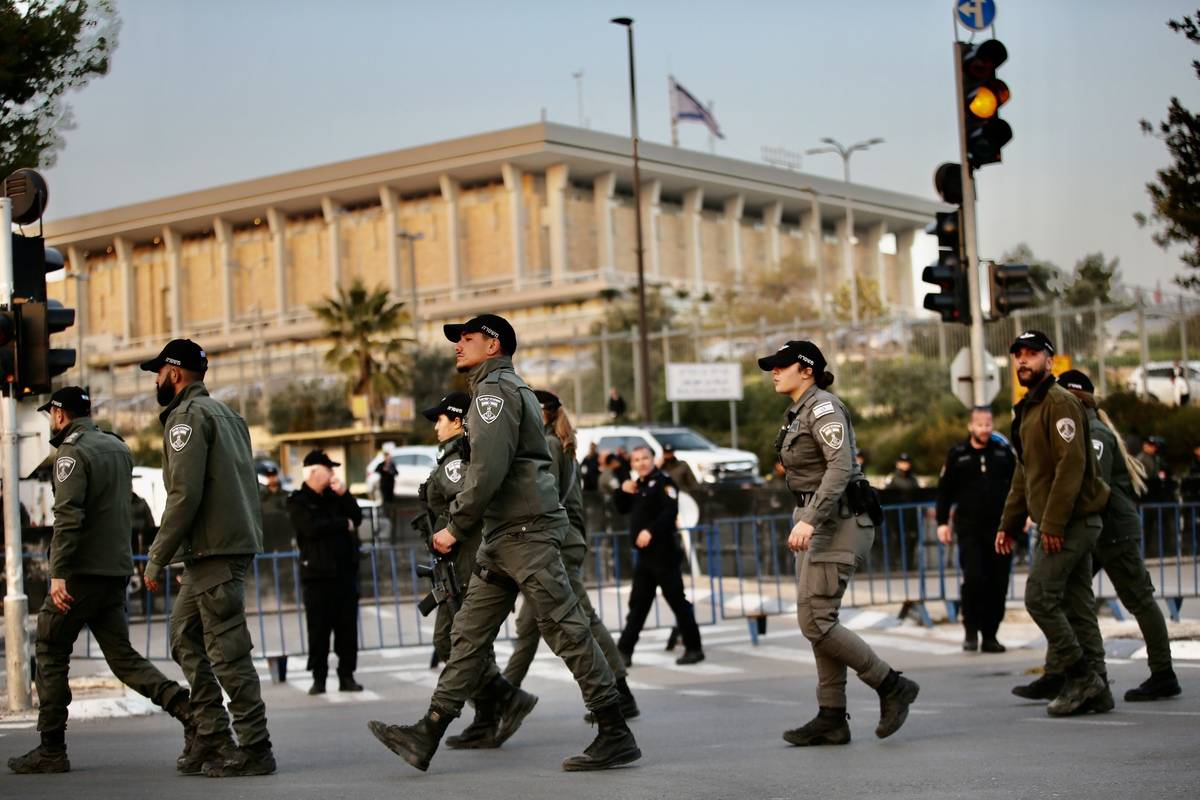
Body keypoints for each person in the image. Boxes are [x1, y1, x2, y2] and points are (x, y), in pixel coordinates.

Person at [368, 314, 640, 773]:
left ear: (493, 345)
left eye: (467, 339)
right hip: (504, 532)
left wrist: (454, 527)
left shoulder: (494, 393)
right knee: (467, 635)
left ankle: (614, 729)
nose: (458, 346)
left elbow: (487, 469)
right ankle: (428, 731)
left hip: (525, 530)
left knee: (563, 627)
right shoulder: (492, 390)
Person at [8, 387, 195, 775]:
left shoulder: (71, 454)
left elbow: (69, 518)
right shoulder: (117, 447)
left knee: (50, 647)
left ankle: (51, 748)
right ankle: (187, 709)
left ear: (60, 414)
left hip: (81, 574)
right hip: (114, 571)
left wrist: (58, 574)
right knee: (123, 658)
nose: (50, 422)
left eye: (51, 415)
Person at [759, 340, 919, 747]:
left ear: (807, 370)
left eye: (782, 365)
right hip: (819, 520)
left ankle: (891, 685)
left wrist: (810, 520)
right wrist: (806, 517)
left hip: (840, 521)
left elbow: (841, 466)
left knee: (815, 620)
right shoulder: (798, 412)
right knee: (818, 620)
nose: (774, 372)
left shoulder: (824, 408)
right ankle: (831, 716)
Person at [140, 339, 275, 777]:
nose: (156, 380)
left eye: (159, 372)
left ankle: (255, 747)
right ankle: (212, 735)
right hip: (211, 551)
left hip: (214, 552)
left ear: (175, 374)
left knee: (227, 653)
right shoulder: (227, 414)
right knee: (184, 638)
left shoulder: (186, 418)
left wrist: (158, 557)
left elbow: (184, 496)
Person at [1011, 370, 1179, 703]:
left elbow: (1083, 482)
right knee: (1067, 598)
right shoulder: (1077, 425)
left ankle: (1163, 674)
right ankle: (1059, 673)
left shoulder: (1093, 432)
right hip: (1090, 528)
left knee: (1138, 599)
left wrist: (1055, 519)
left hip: (1112, 531)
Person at [504, 390, 639, 721]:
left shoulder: (548, 445)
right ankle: (505, 697)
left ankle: (620, 692)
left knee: (583, 618)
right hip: (562, 542)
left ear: (545, 414)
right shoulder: (555, 443)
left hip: (558, 545)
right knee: (528, 626)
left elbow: (543, 500)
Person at [996, 331, 1110, 717]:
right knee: (1078, 607)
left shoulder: (1059, 403)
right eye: (1018, 356)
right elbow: (1024, 473)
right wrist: (1008, 524)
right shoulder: (1029, 407)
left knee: (1039, 598)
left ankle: (1080, 677)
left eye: (1031, 354)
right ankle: (1099, 689)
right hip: (1062, 522)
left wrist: (1054, 526)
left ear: (1050, 360)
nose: (1023, 361)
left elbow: (1071, 468)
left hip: (1072, 523)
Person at [418, 390, 533, 749]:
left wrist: (449, 533)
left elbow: (468, 500)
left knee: (452, 640)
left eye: (440, 419)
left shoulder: (455, 462)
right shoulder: (457, 456)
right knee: (474, 642)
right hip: (464, 561)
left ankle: (504, 697)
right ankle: (487, 717)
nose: (436, 425)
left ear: (456, 421)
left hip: (466, 562)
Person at [612, 445, 704, 666]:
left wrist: (650, 531)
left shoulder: (664, 483)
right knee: (638, 605)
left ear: (653, 460)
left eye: (645, 458)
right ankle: (624, 652)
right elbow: (622, 508)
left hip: (664, 554)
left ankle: (694, 647)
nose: (641, 463)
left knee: (677, 602)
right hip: (645, 557)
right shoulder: (637, 486)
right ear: (632, 464)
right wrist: (621, 490)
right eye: (636, 460)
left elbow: (670, 511)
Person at [935, 407, 1016, 653]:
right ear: (971, 426)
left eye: (988, 424)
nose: (984, 429)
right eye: (980, 425)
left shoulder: (1003, 453)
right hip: (969, 529)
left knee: (998, 582)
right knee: (974, 579)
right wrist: (942, 523)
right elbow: (945, 491)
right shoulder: (958, 455)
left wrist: (1023, 516)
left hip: (1001, 530)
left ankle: (990, 634)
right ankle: (971, 630)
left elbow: (1019, 487)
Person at [287, 449, 364, 695]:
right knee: (318, 631)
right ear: (314, 471)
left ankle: (347, 675)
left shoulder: (336, 496)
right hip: (317, 577)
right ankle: (319, 678)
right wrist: (342, 524)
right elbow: (310, 528)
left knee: (347, 629)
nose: (332, 473)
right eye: (328, 469)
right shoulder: (298, 500)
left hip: (344, 574)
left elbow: (357, 517)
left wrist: (345, 495)